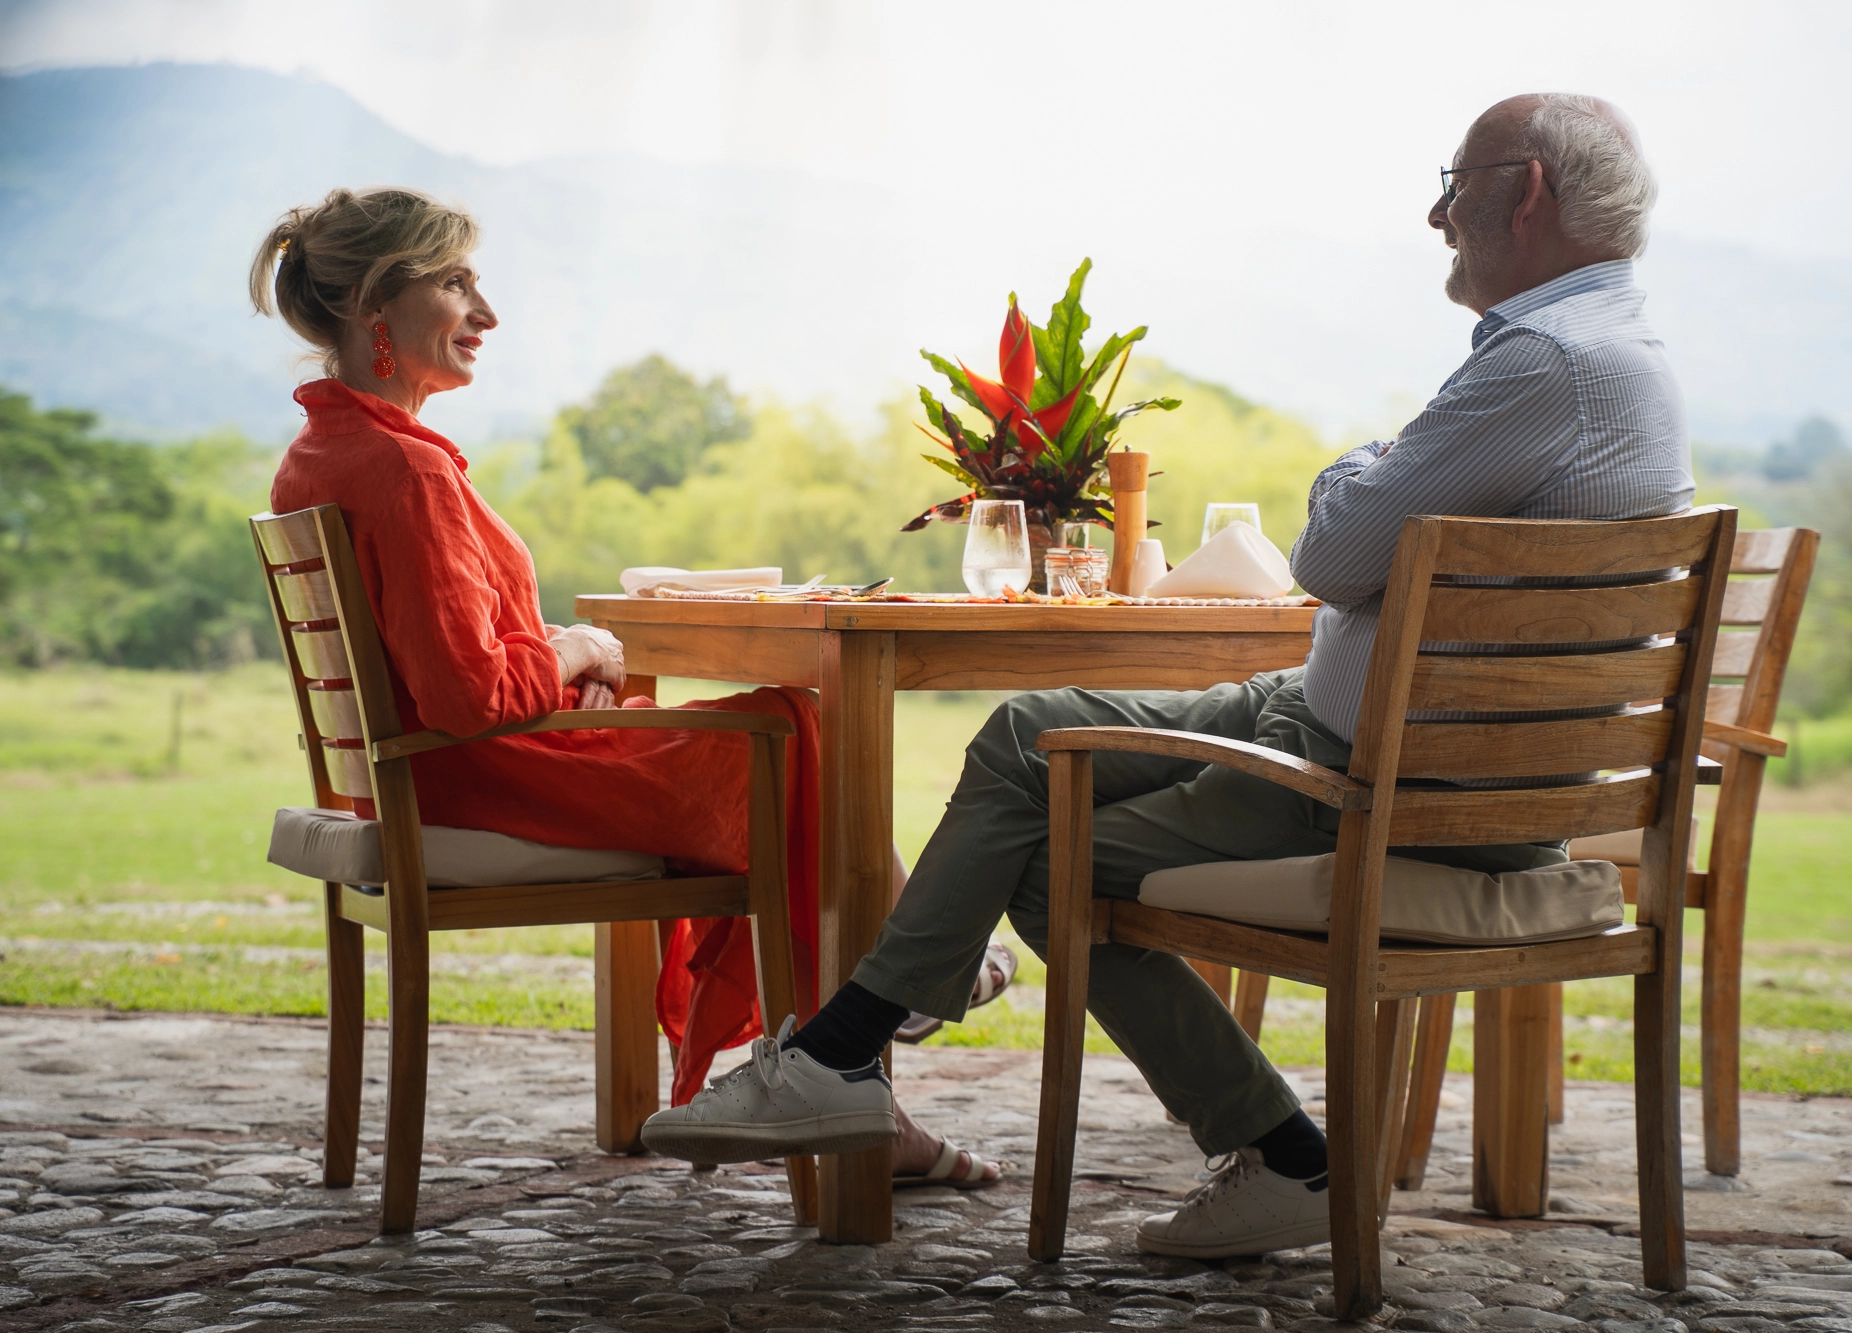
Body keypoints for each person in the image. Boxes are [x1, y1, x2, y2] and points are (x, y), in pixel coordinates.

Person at [641, 92, 1698, 1257]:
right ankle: (863, 1051)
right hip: (1330, 726)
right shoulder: (1613, 356)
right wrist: (1384, 474)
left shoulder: (1545, 363)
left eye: (1454, 180)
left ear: (1528, 190)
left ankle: (866, 1057)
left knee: (1043, 835)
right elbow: (1365, 555)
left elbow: (1333, 551)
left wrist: (1359, 462)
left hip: (1381, 783)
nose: (1435, 211)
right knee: (1025, 743)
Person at [251, 187, 998, 1187]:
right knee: (791, 728)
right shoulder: (404, 469)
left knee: (787, 733)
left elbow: (441, 664)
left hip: (438, 773)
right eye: (455, 282)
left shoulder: (322, 453)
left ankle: (884, 1006)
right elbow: (473, 695)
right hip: (484, 772)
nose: (485, 311)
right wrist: (577, 649)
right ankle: (891, 991)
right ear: (374, 308)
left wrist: (557, 648)